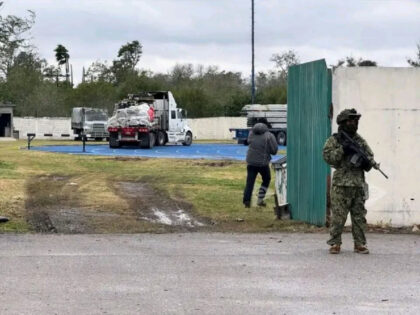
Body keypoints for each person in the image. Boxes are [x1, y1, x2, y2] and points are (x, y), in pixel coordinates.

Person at [323, 108, 376, 254]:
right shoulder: (334, 140)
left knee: (359, 216)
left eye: (356, 120)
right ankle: (335, 243)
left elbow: (370, 156)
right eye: (351, 120)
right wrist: (342, 149)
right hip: (341, 185)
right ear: (343, 122)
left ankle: (360, 244)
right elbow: (328, 158)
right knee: (339, 217)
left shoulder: (359, 141)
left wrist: (365, 161)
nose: (354, 123)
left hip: (358, 184)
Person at [243, 123, 278, 208]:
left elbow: (248, 142)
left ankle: (246, 201)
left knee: (250, 182)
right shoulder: (269, 136)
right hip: (263, 163)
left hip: (251, 162)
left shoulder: (251, 133)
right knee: (266, 179)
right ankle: (260, 199)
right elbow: (274, 150)